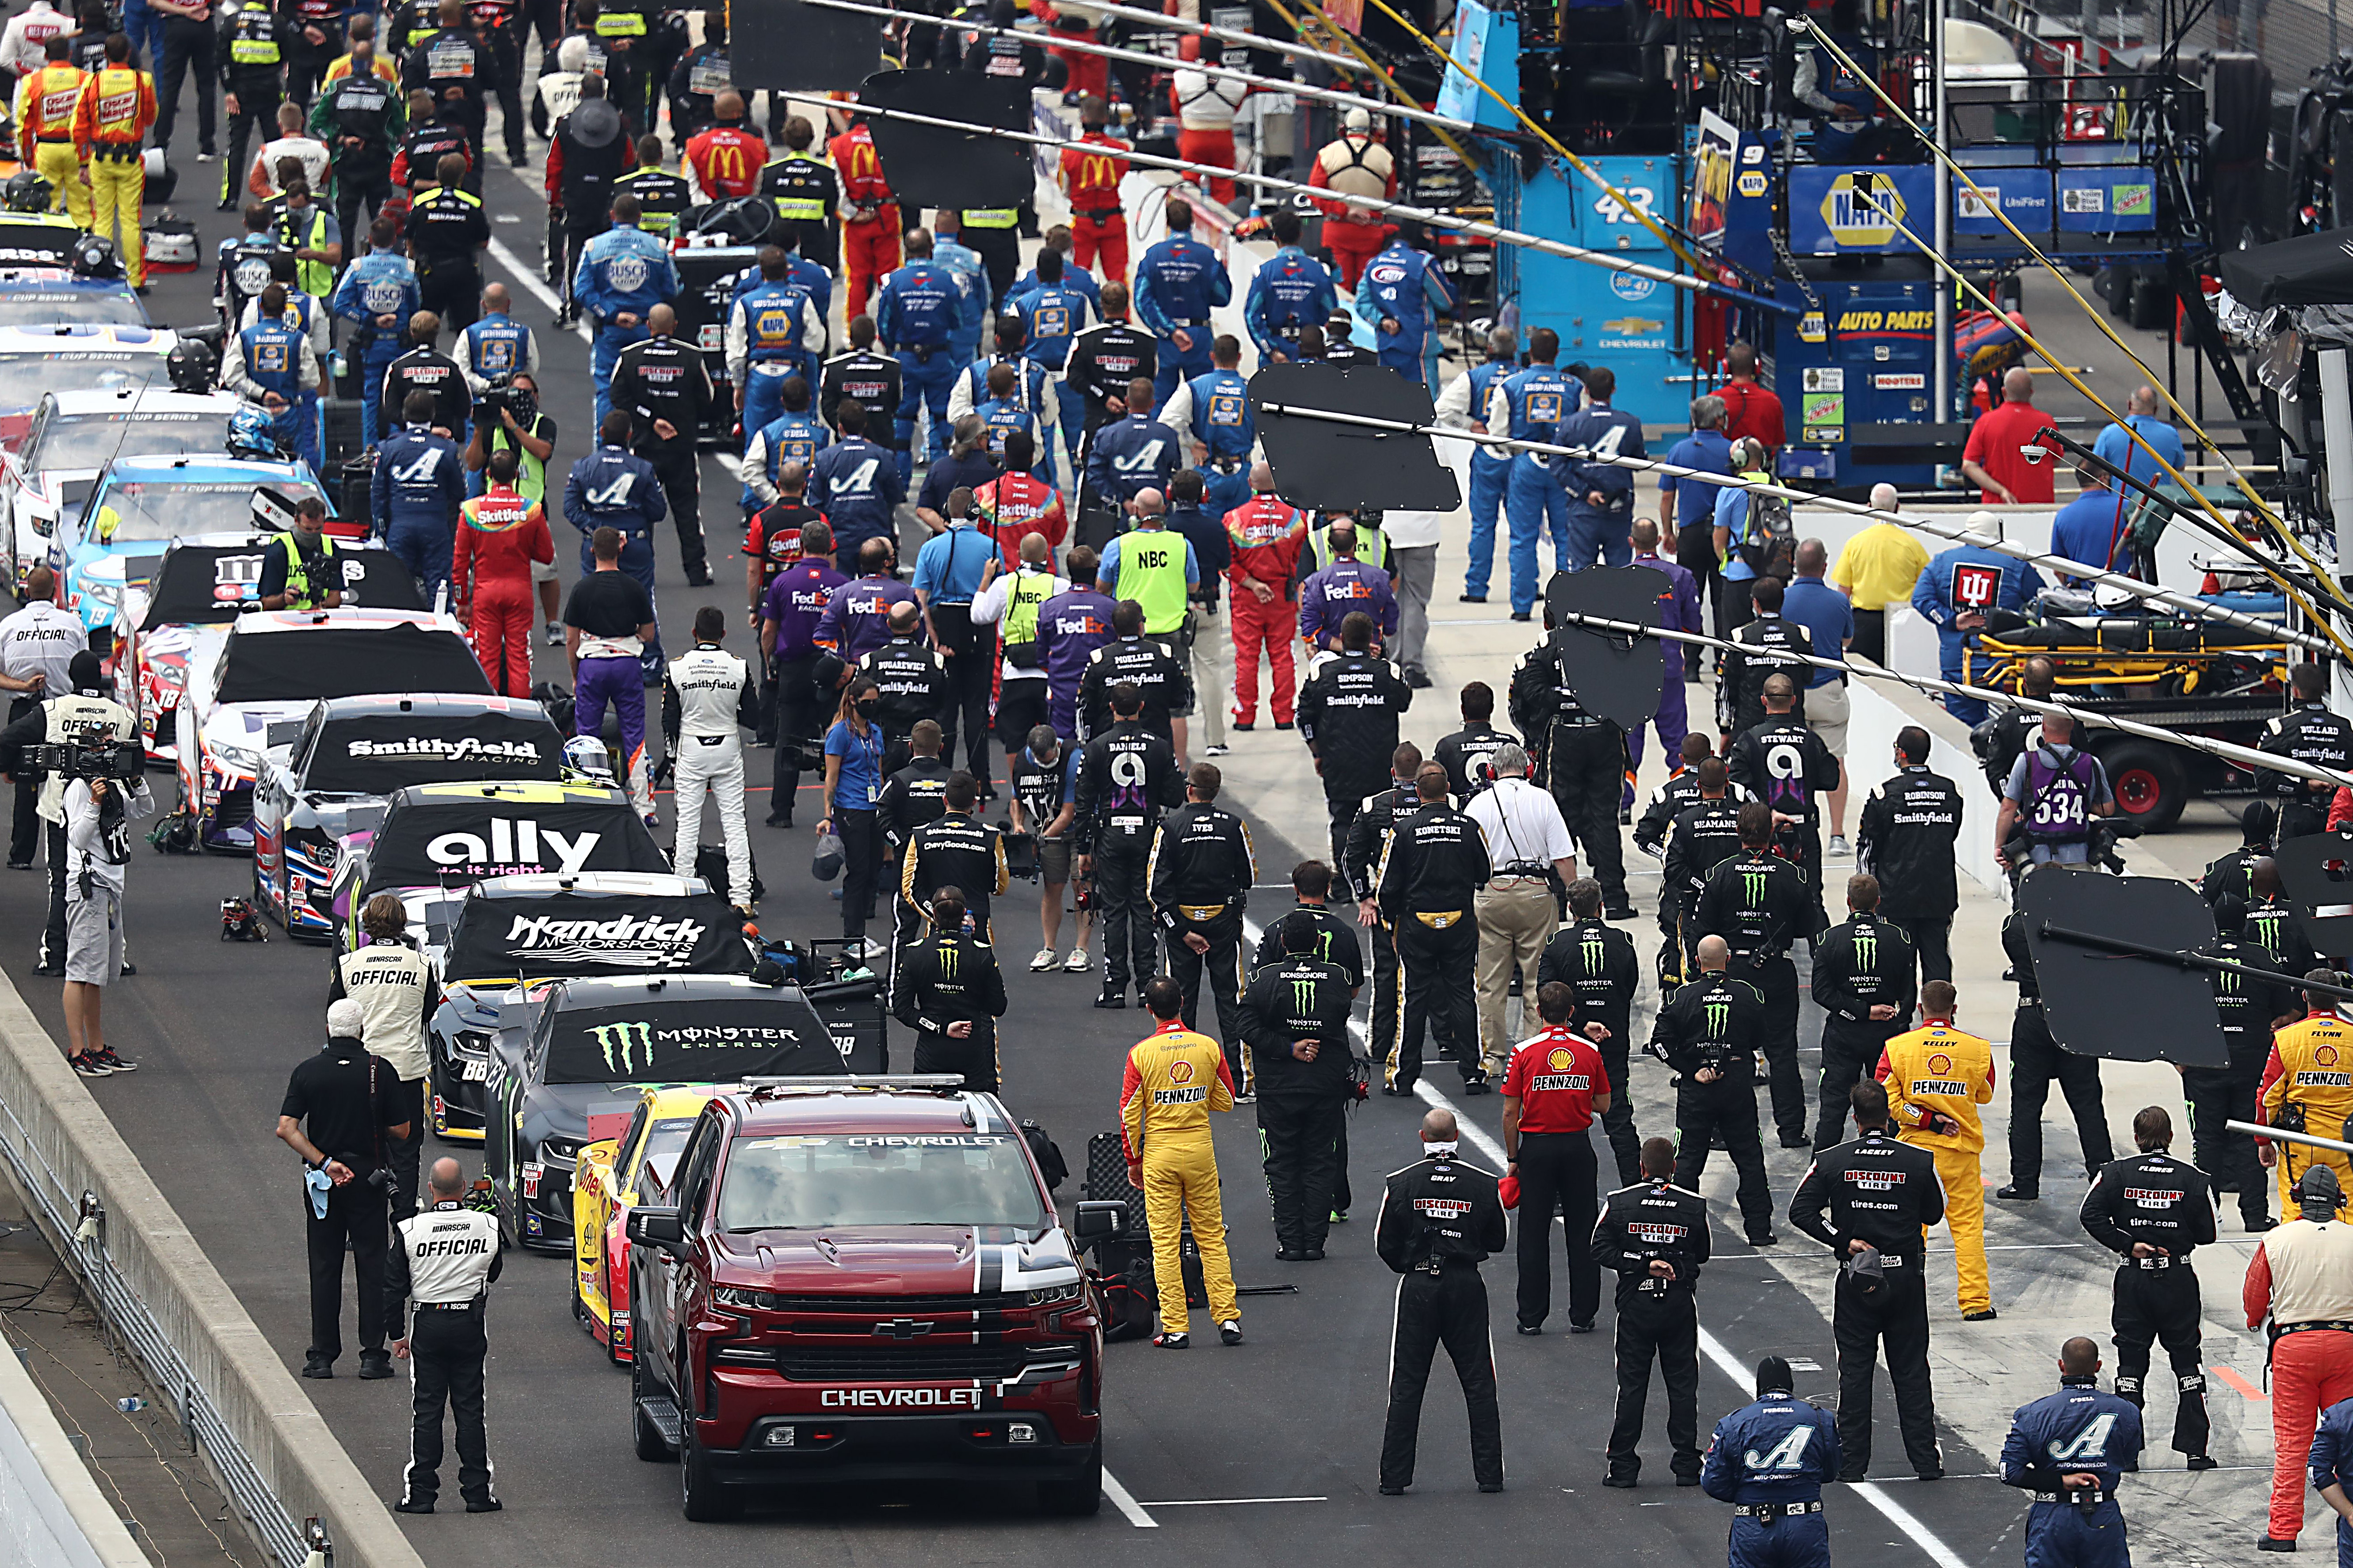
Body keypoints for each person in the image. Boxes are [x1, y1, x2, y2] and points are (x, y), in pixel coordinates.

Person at [1789, 1079, 1945, 1480]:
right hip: (1905, 1278)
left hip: (1857, 1278)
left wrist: (1843, 1240)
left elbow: (1800, 1212)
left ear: (1854, 1117)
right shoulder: (1918, 1159)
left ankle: (1852, 1465)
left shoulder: (1831, 1160)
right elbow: (1934, 1214)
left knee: (1855, 1371)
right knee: (1911, 1370)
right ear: (1890, 1114)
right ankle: (1925, 1463)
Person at [277, 997, 411, 1380]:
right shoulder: (379, 1071)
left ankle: (322, 1356)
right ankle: (372, 1354)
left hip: (323, 1184)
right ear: (362, 1031)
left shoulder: (308, 1072)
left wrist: (323, 1161)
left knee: (324, 1266)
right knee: (371, 1265)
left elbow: (286, 1128)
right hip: (368, 1180)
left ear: (327, 1031)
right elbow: (401, 1131)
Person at [2078, 1106, 2218, 1468]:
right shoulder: (2195, 1179)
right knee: (2187, 1361)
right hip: (2177, 1278)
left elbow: (2088, 1215)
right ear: (2170, 1138)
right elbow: (2208, 1235)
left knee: (2130, 1365)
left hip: (2133, 1277)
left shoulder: (2113, 1173)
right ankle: (2195, 1450)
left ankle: (2126, 1453)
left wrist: (2126, 1243)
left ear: (2136, 1138)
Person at [1376, 1107, 1506, 1495]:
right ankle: (1490, 1476)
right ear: (1457, 1138)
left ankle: (1394, 1478)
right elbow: (1498, 1239)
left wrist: (1413, 1263)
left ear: (1423, 1137)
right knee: (1480, 1382)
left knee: (1406, 1383)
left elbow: (1385, 1244)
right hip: (1465, 1285)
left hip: (1419, 1286)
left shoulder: (1400, 1183)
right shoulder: (1484, 1183)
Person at [1120, 976, 1243, 1348]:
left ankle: (1175, 1327)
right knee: (1211, 1238)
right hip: (1200, 1150)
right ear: (1182, 1003)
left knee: (1165, 1242)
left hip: (1159, 1154)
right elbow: (1226, 1100)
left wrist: (1133, 1160)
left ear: (1149, 1010)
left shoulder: (1141, 1054)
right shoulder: (1207, 1046)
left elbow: (1129, 1115)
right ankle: (1228, 1320)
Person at [1695, 802, 1817, 1148]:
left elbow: (1704, 929)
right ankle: (1791, 1131)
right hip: (1775, 970)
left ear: (1738, 833)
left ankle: (1723, 1132)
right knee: (1782, 1053)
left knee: (1725, 1050)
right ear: (1770, 834)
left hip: (1731, 972)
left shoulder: (1719, 873)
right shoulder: (1791, 874)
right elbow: (1807, 926)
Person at [385, 1157, 501, 1515]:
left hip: (428, 1325)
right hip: (468, 1323)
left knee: (427, 1410)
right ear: (464, 1188)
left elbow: (393, 1288)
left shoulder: (409, 1229)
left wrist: (398, 1336)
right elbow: (493, 1273)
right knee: (470, 1409)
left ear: (431, 1190)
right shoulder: (488, 1225)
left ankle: (421, 1495)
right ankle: (478, 1494)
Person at [1876, 980, 1998, 1320]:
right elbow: (1984, 1094)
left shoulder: (1897, 1048)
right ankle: (1975, 1304)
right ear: (1954, 1010)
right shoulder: (1978, 1049)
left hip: (1914, 1155)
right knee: (1968, 1230)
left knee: (1909, 1231)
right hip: (1961, 1155)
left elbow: (1885, 1101)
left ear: (1919, 1009)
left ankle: (1902, 1300)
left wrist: (1926, 1118)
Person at [1596, 1137, 1711, 1488]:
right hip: (1677, 1304)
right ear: (1673, 1168)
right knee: (1682, 1384)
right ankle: (1687, 1466)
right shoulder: (1693, 1205)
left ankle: (1623, 1467)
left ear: (1641, 1168)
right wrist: (1662, 1259)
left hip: (1636, 1304)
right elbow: (1703, 1252)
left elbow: (1598, 1247)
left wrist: (1640, 1263)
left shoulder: (1618, 1202)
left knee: (1631, 1386)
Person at [2250, 1164, 2353, 1551]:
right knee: (2349, 1438)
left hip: (2294, 1348)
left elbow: (2254, 1298)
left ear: (2296, 1199)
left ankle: (2282, 1532)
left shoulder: (2276, 1239)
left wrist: (2254, 1320)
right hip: (2347, 1346)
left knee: (2293, 1443)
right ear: (2338, 1201)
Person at [1243, 914, 1358, 1260]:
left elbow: (1244, 1026)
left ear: (1282, 943)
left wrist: (1287, 1047)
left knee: (1281, 1163)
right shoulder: (1338, 977)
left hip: (1279, 1088)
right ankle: (1315, 1244)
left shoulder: (1263, 980)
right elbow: (1339, 1015)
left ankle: (1291, 1243)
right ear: (1318, 943)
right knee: (1321, 1162)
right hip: (1324, 1086)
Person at [1502, 980, 1610, 1334]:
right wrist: (1575, 1100)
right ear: (1572, 1013)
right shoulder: (1589, 1051)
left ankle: (1531, 1317)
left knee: (1533, 1233)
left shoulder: (1523, 1052)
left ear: (1538, 1012)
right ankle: (1583, 1315)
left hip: (1536, 1148)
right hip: (1577, 1147)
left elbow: (1509, 1112)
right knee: (1582, 1232)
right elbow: (1604, 1104)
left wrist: (1513, 1157)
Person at [1377, 763, 1490, 1094]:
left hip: (1417, 925)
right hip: (1459, 922)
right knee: (1464, 995)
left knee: (1412, 999)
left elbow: (1386, 887)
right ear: (1448, 789)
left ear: (1418, 792)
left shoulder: (1403, 829)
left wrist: (1391, 923)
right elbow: (1485, 871)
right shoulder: (1469, 827)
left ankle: (1403, 1078)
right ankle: (1473, 1073)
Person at [1654, 934, 1774, 1243]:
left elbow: (1659, 1044)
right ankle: (1759, 1230)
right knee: (1749, 1159)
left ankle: (1680, 1233)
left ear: (1696, 961)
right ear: (1728, 960)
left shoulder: (1681, 997)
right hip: (1736, 1087)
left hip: (1697, 1091)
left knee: (1688, 1163)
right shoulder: (1750, 995)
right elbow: (1761, 1037)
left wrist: (1691, 1070)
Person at [1997, 893, 2115, 1203]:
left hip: (2032, 1014)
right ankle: (2102, 1175)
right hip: (2073, 1017)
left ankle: (2024, 1181)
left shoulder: (2015, 925)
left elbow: (2013, 937)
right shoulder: (2080, 925)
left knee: (2025, 1105)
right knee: (2087, 1104)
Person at [1464, 742, 1572, 1078]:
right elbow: (1563, 858)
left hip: (1491, 894)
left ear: (1492, 771)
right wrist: (1575, 899)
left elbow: (1466, 856)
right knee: (1537, 979)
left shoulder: (1477, 803)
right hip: (1535, 894)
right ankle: (1535, 1056)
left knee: (1490, 983)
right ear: (1528, 769)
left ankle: (1492, 1058)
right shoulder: (1543, 799)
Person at [1077, 682, 1182, 1009]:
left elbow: (1083, 801)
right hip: (1146, 835)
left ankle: (1114, 987)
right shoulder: (1160, 746)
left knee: (1113, 911)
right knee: (1144, 909)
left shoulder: (1096, 746)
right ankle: (1147, 987)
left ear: (1111, 707)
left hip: (1109, 836)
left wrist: (1082, 848)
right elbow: (1175, 796)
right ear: (1141, 706)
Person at [329, 893, 434, 1222]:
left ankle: (356, 1219)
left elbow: (337, 1016)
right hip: (405, 1069)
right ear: (402, 924)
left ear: (368, 925)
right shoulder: (422, 964)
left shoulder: (349, 964)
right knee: (405, 1149)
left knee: (357, 1147)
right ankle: (404, 1220)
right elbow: (429, 1011)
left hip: (362, 1071)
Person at [1148, 763, 1255, 1080]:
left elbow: (1156, 888)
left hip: (1181, 927)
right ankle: (1240, 1080)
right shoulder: (1234, 825)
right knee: (1231, 1000)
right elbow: (1249, 876)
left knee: (1176, 1005)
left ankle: (1178, 1080)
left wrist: (1181, 930)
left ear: (1189, 790)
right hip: (1223, 922)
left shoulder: (1169, 828)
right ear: (1216, 792)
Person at [1998, 1337, 2142, 1567]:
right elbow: (2127, 1458)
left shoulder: (2032, 1414)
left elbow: (2009, 1472)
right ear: (2098, 1366)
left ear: (2061, 1366)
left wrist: (2061, 1479)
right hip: (2103, 1512)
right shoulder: (2127, 1411)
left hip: (2053, 1516)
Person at [2186, 917, 2282, 1234]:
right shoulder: (2261, 957)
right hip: (2251, 1061)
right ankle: (2255, 1215)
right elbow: (2288, 1009)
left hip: (2205, 1059)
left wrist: (2178, 1056)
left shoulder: (2196, 955)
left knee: (2207, 1138)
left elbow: (2175, 1008)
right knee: (2249, 1137)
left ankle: (2206, 1218)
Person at [57, 745, 148, 1077]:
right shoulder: (79, 788)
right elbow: (78, 838)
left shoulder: (114, 783)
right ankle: (77, 1050)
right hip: (88, 886)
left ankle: (97, 1048)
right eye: (101, 749)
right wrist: (95, 804)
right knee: (80, 970)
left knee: (97, 972)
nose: (110, 756)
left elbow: (145, 809)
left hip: (109, 888)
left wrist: (136, 780)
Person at [1298, 609, 1413, 869]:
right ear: (1372, 638)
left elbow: (1303, 718)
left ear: (1342, 637)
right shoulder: (1388, 672)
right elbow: (1405, 701)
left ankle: (1342, 882)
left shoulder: (1322, 674)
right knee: (1383, 818)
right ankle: (1382, 880)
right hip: (1380, 763)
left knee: (1342, 820)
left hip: (1338, 762)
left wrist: (1317, 752)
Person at [1810, 873, 1917, 1153]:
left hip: (1843, 1033)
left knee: (1833, 1107)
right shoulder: (1899, 938)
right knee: (1889, 1103)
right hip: (1887, 1036)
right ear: (1878, 902)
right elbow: (1908, 990)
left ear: (1849, 902)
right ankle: (1893, 1165)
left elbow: (1821, 992)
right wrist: (1887, 1016)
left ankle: (1820, 1174)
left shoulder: (1830, 939)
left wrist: (1859, 1011)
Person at [663, 607, 759, 910]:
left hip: (691, 747)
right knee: (734, 823)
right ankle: (742, 898)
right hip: (727, 744)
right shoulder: (738, 666)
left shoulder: (677, 668)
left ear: (695, 633)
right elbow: (755, 718)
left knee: (688, 824)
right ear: (723, 635)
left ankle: (684, 893)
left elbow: (669, 720)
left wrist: (671, 756)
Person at [610, 304, 712, 586]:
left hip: (644, 449)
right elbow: (708, 399)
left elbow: (617, 397)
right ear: (675, 325)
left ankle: (640, 572)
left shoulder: (630, 357)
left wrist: (651, 419)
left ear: (649, 327)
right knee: (688, 513)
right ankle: (697, 573)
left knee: (641, 513)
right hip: (681, 449)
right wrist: (682, 419)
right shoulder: (692, 357)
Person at [564, 527, 660, 824]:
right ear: (620, 549)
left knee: (587, 736)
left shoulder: (582, 589)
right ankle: (645, 807)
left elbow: (571, 640)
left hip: (592, 665)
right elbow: (648, 633)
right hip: (627, 665)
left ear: (592, 551)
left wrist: (576, 676)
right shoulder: (634, 588)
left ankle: (589, 803)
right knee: (634, 736)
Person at [1728, 672, 1841, 924]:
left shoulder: (1748, 740)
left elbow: (1736, 788)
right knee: (1812, 897)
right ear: (1794, 701)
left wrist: (1766, 812)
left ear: (1763, 701)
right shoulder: (1811, 740)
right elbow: (1831, 779)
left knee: (1763, 899)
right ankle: (1819, 955)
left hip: (1764, 832)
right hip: (1805, 828)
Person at [1854, 727, 1963, 985]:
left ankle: (1901, 1022)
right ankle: (1942, 1018)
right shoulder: (1952, 792)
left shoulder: (1883, 794)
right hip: (1940, 895)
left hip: (1895, 896)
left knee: (1899, 961)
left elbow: (1867, 848)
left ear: (1900, 753)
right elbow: (1950, 834)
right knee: (1937, 958)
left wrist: (1863, 894)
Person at [564, 411, 668, 677]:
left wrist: (599, 531)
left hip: (597, 546)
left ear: (602, 433)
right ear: (630, 435)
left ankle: (595, 658)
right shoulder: (643, 468)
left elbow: (571, 508)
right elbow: (658, 511)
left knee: (594, 598)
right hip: (634, 542)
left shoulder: (583, 467)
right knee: (644, 600)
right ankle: (651, 662)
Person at [1701, 1356, 1842, 1552]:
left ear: (1759, 1386)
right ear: (1790, 1384)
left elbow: (1713, 1482)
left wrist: (1749, 1494)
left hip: (1753, 1524)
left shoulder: (1733, 1423)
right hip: (1805, 1522)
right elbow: (1830, 1471)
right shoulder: (1820, 1418)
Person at [912, 486, 999, 785]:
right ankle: (982, 780)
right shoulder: (991, 547)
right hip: (979, 631)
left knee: (945, 711)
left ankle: (941, 776)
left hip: (944, 631)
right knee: (976, 710)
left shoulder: (931, 548)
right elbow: (997, 597)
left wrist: (934, 639)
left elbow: (921, 599)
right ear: (975, 512)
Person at [1488, 328, 1577, 620]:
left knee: (1523, 538)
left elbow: (1497, 435)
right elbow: (1583, 432)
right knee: (1565, 537)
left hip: (1525, 464)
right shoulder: (1574, 386)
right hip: (1563, 466)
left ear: (1528, 352)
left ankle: (1522, 607)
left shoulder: (1511, 385)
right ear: (1557, 353)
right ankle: (1567, 608)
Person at [0, 566, 81, 870]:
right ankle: (69, 853)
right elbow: (83, 668)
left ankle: (21, 855)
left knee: (25, 784)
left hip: (25, 711)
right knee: (69, 781)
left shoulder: (8, 626)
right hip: (63, 711)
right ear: (54, 591)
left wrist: (22, 685)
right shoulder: (73, 625)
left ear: (26, 590)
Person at [576, 193, 679, 432]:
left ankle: (606, 447)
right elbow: (672, 288)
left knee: (608, 390)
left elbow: (582, 291)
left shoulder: (594, 246)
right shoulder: (657, 247)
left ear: (613, 215)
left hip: (611, 331)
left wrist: (612, 314)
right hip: (647, 330)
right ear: (640, 217)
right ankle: (647, 442)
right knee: (651, 388)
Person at [892, 884, 1009, 1091]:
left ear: (934, 914)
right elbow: (998, 1006)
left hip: (931, 1054)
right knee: (974, 1117)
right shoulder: (981, 953)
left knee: (928, 1118)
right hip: (971, 1051)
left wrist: (940, 1028)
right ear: (964, 914)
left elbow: (902, 1009)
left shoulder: (916, 953)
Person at [876, 228, 969, 481]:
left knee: (903, 419)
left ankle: (901, 481)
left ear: (907, 250)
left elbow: (884, 324)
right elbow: (957, 320)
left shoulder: (895, 281)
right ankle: (944, 478)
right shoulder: (946, 280)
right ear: (931, 249)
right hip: (939, 357)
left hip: (905, 359)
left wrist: (892, 346)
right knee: (942, 418)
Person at [1780, 540, 1856, 847]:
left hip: (1788, 693)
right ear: (1824, 566)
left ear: (1794, 564)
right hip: (1828, 690)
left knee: (1787, 763)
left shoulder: (1781, 599)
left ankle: (1790, 831)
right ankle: (1837, 835)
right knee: (1835, 762)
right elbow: (1847, 639)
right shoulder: (1838, 602)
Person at [2260, 970, 2353, 1215]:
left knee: (2296, 1211)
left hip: (2300, 1144)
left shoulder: (2287, 1038)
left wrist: (2264, 1140)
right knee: (2349, 1213)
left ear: (2304, 996)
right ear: (2338, 1000)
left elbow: (2268, 1097)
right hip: (2346, 1144)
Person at [75, 32, 157, 292]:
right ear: (129, 54)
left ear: (106, 56)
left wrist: (83, 161)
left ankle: (101, 271)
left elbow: (79, 125)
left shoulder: (93, 82)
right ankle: (135, 279)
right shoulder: (142, 80)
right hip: (131, 160)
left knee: (102, 218)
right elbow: (150, 117)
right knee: (131, 220)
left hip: (100, 159)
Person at [896, 770, 1007, 961]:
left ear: (944, 799)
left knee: (934, 984)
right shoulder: (990, 836)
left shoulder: (921, 835)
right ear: (974, 802)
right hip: (978, 928)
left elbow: (910, 888)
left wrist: (940, 913)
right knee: (982, 986)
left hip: (937, 929)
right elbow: (999, 887)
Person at [1623, 520, 1701, 789]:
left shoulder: (1616, 579)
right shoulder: (1681, 576)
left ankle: (1623, 805)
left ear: (1631, 542)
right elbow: (1693, 627)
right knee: (1678, 742)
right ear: (1658, 540)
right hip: (1668, 671)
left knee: (1627, 745)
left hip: (1630, 673)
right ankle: (1683, 800)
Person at [1007, 724, 1089, 972]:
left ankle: (1082, 949)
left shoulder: (1074, 760)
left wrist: (1039, 840)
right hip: (1049, 829)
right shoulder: (1024, 760)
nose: (1045, 762)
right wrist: (1018, 826)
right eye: (1040, 759)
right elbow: (1017, 798)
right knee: (1052, 886)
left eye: (1049, 757)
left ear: (1058, 746)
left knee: (1082, 885)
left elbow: (1068, 813)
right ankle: (1049, 949)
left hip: (1079, 829)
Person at [332, 219, 420, 447]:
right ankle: (396, 443)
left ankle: (370, 446)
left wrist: (369, 320)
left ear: (371, 240)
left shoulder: (359, 267)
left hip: (371, 344)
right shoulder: (408, 268)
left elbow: (340, 305)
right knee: (399, 395)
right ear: (394, 240)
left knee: (371, 397)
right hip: (400, 344)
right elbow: (417, 308)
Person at [310, 40, 398, 267]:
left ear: (352, 63)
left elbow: (316, 123)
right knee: (382, 220)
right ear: (372, 64)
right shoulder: (387, 89)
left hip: (346, 163)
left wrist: (338, 138)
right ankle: (383, 265)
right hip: (378, 163)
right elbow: (401, 128)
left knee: (344, 221)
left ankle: (344, 268)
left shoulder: (336, 88)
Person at [373, 389, 466, 602]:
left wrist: (382, 529)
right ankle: (441, 632)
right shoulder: (448, 449)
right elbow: (460, 492)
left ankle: (399, 633)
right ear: (433, 415)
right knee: (440, 588)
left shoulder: (388, 448)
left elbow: (378, 494)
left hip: (400, 527)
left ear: (404, 415)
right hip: (435, 527)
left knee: (398, 590)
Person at [818, 677, 888, 957]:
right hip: (851, 809)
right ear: (854, 701)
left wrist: (885, 805)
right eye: (867, 702)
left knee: (873, 868)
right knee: (858, 871)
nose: (872, 706)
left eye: (876, 701)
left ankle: (861, 934)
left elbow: (879, 772)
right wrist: (828, 815)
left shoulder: (875, 733)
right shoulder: (840, 734)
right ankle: (852, 938)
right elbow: (831, 778)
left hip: (874, 809)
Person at [1831, 483, 1930, 665]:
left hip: (1863, 625)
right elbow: (1927, 587)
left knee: (1867, 682)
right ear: (1898, 508)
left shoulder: (1855, 544)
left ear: (1869, 507)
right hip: (1903, 623)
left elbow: (1843, 593)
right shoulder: (1912, 546)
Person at [1997, 712, 2114, 865]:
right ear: (2072, 727)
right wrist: (2079, 800)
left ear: (2043, 727)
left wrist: (1999, 846)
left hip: (2038, 860)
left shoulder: (2027, 761)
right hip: (2080, 857)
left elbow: (2008, 808)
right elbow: (2108, 808)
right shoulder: (2092, 763)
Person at [1658, 395, 1732, 629]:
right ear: (1719, 420)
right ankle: (1725, 658)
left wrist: (1668, 532)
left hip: (1690, 535)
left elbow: (1667, 497)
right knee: (1724, 600)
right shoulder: (1733, 451)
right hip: (1726, 535)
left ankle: (1690, 662)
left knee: (1690, 599)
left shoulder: (1679, 451)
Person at [2262, 662, 2353, 845]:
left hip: (2294, 816)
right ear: (2323, 690)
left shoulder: (2280, 728)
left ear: (2295, 692)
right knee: (2336, 871)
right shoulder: (2345, 728)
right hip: (2337, 818)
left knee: (2287, 871)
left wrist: (2305, 785)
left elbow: (2264, 779)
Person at [1356, 221, 1453, 388]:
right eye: (1427, 232)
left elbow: (1362, 303)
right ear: (1416, 233)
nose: (1430, 237)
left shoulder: (1374, 263)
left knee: (1390, 404)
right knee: (1425, 407)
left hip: (1387, 344)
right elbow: (1447, 302)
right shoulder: (1424, 262)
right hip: (1420, 347)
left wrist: (1382, 321)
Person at [1309, 106, 1396, 291]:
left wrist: (1346, 211)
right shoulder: (1386, 157)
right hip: (1371, 230)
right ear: (1371, 130)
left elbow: (1315, 194)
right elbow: (1390, 192)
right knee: (1370, 288)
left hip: (1337, 230)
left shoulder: (1327, 154)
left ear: (1344, 128)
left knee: (1340, 289)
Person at [1719, 577, 1816, 741]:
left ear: (1755, 603)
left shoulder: (1740, 637)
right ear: (1782, 602)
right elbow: (1808, 677)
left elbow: (1726, 686)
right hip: (1793, 727)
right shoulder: (1801, 635)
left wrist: (1725, 727)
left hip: (1749, 729)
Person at [1037, 547, 1114, 739]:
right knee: (1102, 744)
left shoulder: (1049, 608)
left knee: (1064, 747)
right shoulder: (1112, 608)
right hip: (1102, 691)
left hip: (1063, 690)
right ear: (1096, 571)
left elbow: (1041, 657)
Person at [1243, 208, 1338, 365]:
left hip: (1275, 354)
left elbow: (1252, 316)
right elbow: (1331, 314)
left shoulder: (1264, 271)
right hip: (1311, 353)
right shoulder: (1320, 270)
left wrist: (1271, 351)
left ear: (1275, 238)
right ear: (1301, 235)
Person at [1296, 520, 1397, 658]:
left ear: (1330, 544)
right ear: (1356, 542)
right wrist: (1363, 647)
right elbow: (1391, 627)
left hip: (1332, 660)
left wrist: (1343, 646)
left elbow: (1310, 632)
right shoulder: (1380, 577)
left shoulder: (1316, 582)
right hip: (1373, 657)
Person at [1960, 368, 2057, 505]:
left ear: (2004, 391)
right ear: (2031, 393)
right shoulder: (2047, 423)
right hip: (2039, 506)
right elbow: (2055, 460)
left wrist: (2001, 491)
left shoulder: (1986, 422)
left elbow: (1969, 466)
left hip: (1998, 506)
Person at [1056, 95, 1128, 279]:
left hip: (1083, 222)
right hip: (1113, 220)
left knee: (1078, 278)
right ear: (1106, 119)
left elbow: (1065, 190)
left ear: (1082, 119)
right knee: (1117, 279)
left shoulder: (1069, 152)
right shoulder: (1122, 150)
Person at [2091, 383, 2185, 494]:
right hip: (2158, 504)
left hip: (2121, 502)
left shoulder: (2109, 433)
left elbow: (2094, 467)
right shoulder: (2171, 434)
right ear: (2156, 408)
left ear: (2129, 405)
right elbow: (2180, 466)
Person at [256, 496, 341, 611]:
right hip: (287, 620)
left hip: (321, 619)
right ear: (296, 521)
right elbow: (266, 603)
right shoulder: (280, 550)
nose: (313, 533)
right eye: (308, 529)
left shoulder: (331, 548)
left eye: (318, 529)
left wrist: (322, 605)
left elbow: (336, 596)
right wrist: (284, 599)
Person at [2048, 465, 2129, 583]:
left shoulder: (2063, 516)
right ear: (2103, 479)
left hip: (2082, 594)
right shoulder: (2128, 508)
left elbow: (2058, 569)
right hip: (2125, 590)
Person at [1711, 342, 1784, 455]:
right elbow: (1777, 444)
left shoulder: (1714, 400)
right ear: (1757, 366)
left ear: (1726, 366)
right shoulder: (1773, 401)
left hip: (1722, 469)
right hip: (1761, 469)